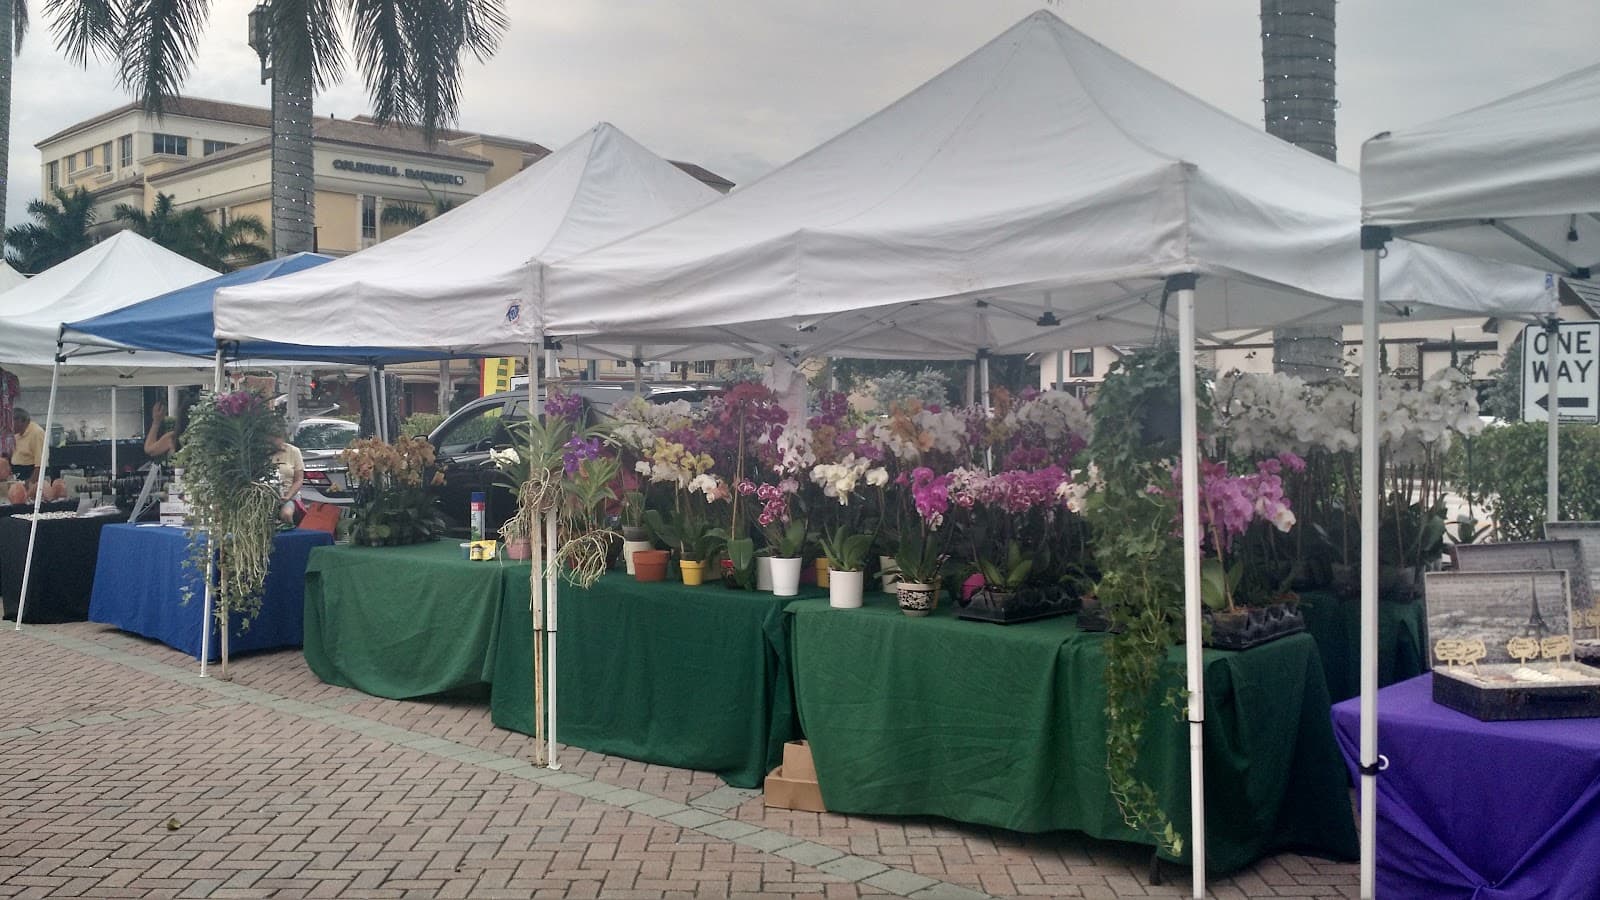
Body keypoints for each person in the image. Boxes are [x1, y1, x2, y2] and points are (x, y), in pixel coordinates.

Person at [271, 431, 306, 525]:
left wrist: (288, 496)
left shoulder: (294, 451)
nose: (274, 440)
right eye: (271, 437)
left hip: (289, 496)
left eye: (277, 437)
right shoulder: (260, 454)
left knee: (286, 514)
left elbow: (299, 479)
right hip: (267, 496)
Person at [10, 407, 46, 491]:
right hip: (17, 475)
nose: (10, 427)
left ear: (22, 421)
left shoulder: (36, 433)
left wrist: (30, 483)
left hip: (30, 474)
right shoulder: (16, 432)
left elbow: (40, 464)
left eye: (12, 424)